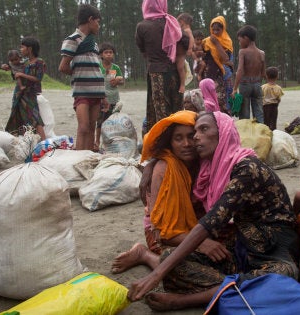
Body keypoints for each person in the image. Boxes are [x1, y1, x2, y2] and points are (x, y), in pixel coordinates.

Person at [127, 111, 298, 311]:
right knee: (170, 259)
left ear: (223, 133)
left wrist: (156, 275)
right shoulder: (211, 167)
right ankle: (238, 286)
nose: (195, 137)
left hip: (274, 253)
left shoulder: (247, 169)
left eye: (203, 129)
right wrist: (153, 164)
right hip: (244, 250)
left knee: (281, 277)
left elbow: (210, 222)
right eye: (195, 131)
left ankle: (187, 299)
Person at [110, 110, 231, 274]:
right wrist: (202, 243)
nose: (187, 144)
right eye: (178, 138)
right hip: (164, 235)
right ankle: (145, 255)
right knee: (195, 268)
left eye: (190, 136)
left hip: (196, 227)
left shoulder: (204, 161)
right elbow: (163, 232)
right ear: (170, 143)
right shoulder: (164, 169)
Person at [59, 4, 107, 150]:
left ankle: (88, 157)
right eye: (98, 22)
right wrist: (80, 76)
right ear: (90, 20)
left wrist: (103, 95)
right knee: (84, 127)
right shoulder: (72, 40)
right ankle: (78, 159)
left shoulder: (94, 44)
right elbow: (63, 67)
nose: (99, 26)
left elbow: (96, 69)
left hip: (97, 92)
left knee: (92, 127)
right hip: (82, 92)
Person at [135, 0, 183, 135]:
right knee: (177, 109)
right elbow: (183, 43)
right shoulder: (171, 22)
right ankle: (179, 141)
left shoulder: (142, 26)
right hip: (175, 72)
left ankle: (161, 144)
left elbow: (142, 49)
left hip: (156, 72)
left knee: (159, 110)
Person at [5, 36, 46, 140]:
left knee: (35, 117)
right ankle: (25, 142)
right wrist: (8, 67)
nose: (20, 49)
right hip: (19, 94)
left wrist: (22, 75)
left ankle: (44, 142)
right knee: (19, 117)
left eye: (22, 47)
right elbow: (14, 68)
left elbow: (38, 79)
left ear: (30, 49)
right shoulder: (24, 62)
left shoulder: (39, 62)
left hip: (30, 94)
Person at [231, 25, 265, 123]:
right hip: (257, 84)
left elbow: (240, 70)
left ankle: (245, 135)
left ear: (245, 38)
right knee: (259, 112)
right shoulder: (262, 53)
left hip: (245, 85)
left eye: (239, 40)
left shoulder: (243, 52)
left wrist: (234, 89)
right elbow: (263, 72)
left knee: (244, 114)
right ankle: (260, 132)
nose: (239, 42)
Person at [200, 16, 234, 113]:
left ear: (223, 29)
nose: (215, 32)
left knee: (220, 101)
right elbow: (200, 55)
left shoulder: (227, 42)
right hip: (207, 76)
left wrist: (217, 44)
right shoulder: (206, 41)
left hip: (220, 76)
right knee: (207, 101)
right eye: (213, 29)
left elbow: (226, 58)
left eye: (218, 30)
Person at [95, 42, 124, 151]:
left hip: (114, 99)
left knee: (113, 122)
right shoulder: (97, 66)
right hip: (101, 98)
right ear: (101, 55)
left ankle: (111, 142)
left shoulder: (115, 68)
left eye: (111, 52)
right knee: (100, 121)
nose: (109, 55)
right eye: (106, 52)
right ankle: (97, 141)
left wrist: (118, 80)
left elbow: (122, 81)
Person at [261, 66, 283, 130]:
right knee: (273, 121)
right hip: (274, 107)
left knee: (265, 121)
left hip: (265, 107)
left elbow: (260, 98)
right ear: (277, 77)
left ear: (266, 76)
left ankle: (266, 133)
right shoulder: (278, 88)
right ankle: (273, 132)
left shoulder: (263, 87)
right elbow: (279, 99)